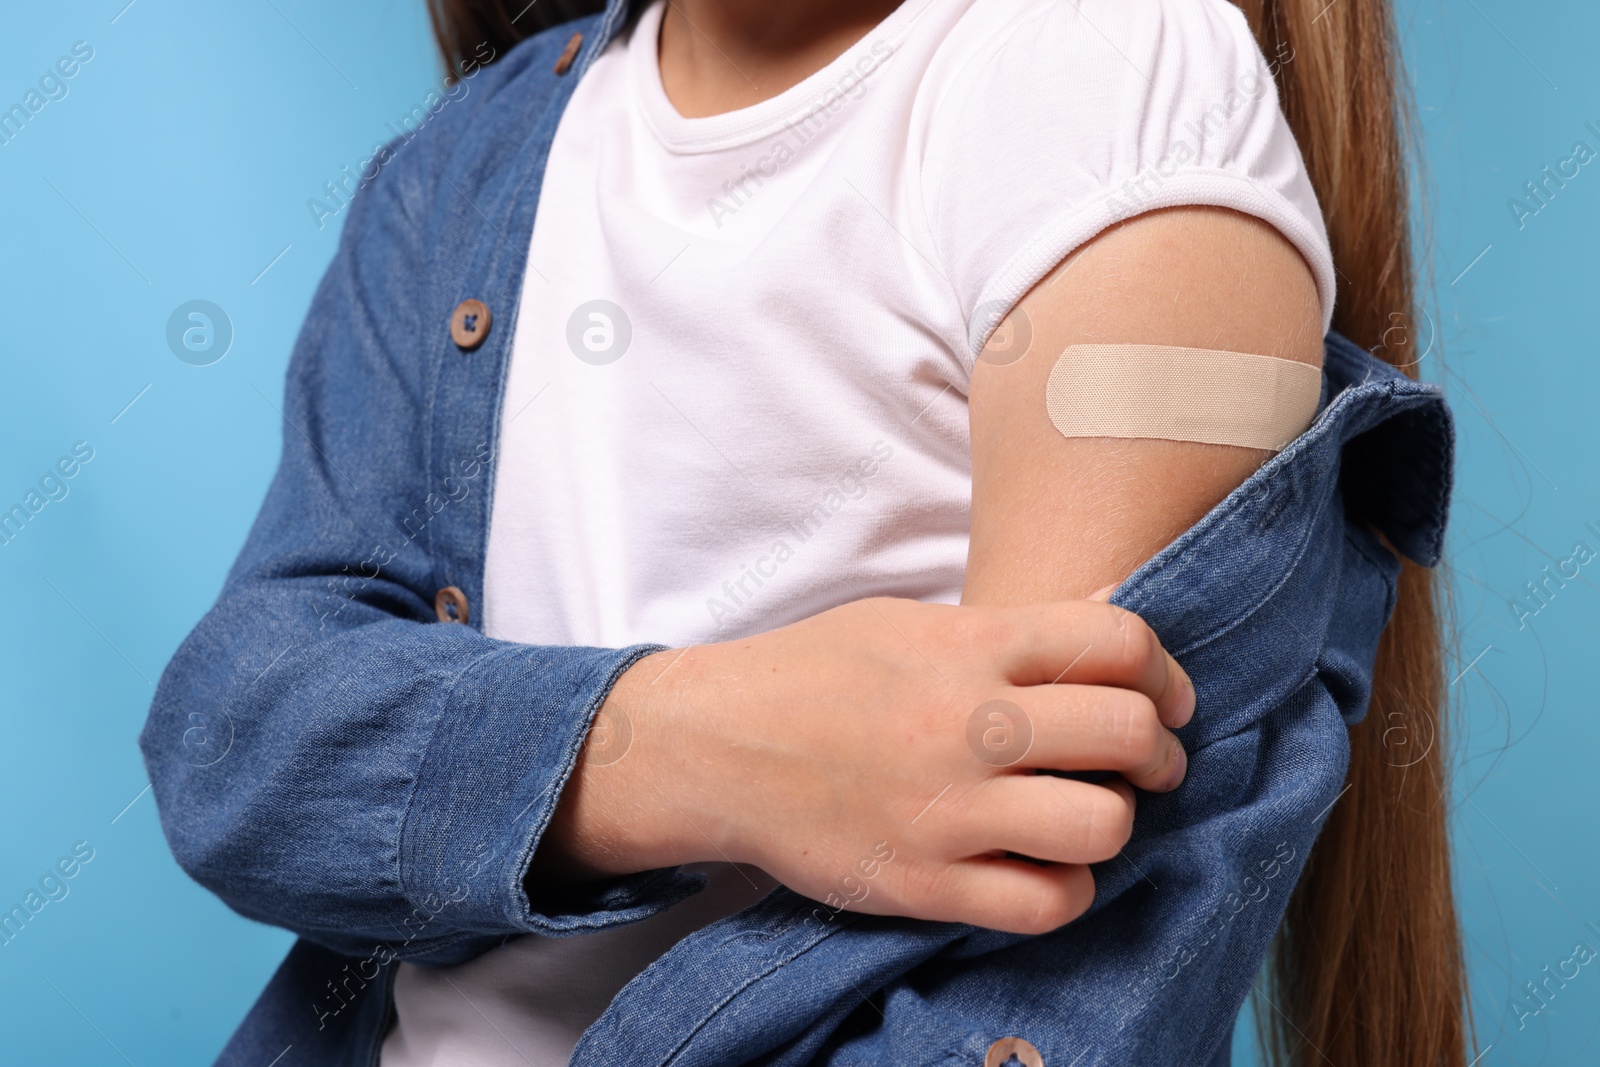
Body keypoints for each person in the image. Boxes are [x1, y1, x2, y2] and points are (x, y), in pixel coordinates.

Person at [141, 0, 1469, 1063]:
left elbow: (1067, 971)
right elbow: (237, 744)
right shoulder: (458, 172)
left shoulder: (1102, 79)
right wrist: (709, 748)